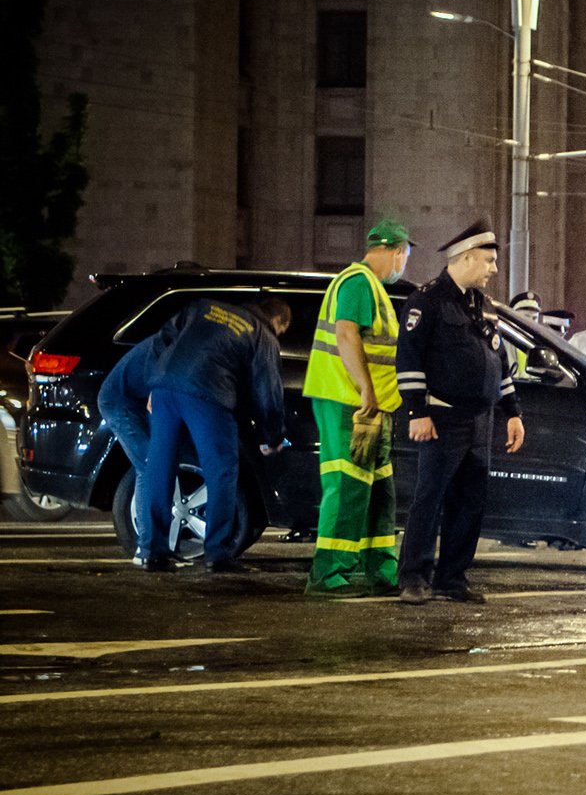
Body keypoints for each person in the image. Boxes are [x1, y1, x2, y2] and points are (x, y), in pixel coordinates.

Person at [395, 220, 525, 605]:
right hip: (442, 417)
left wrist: (512, 411)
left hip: (480, 420)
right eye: (488, 261)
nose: (494, 269)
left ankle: (453, 578)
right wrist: (417, 411)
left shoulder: (482, 305)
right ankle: (414, 577)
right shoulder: (427, 301)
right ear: (466, 257)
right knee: (430, 497)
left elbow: (499, 363)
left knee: (470, 501)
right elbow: (409, 359)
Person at [302, 218, 413, 597]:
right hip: (349, 402)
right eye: (406, 256)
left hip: (371, 407)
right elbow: (346, 333)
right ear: (397, 252)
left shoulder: (371, 287)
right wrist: (366, 390)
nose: (404, 264)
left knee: (378, 487)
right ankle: (328, 571)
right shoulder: (358, 283)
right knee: (346, 484)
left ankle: (380, 566)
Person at [143, 297, 289, 574]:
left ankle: (154, 552)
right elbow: (268, 392)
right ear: (279, 322)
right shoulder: (263, 336)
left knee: (160, 468)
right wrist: (271, 437)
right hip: (209, 394)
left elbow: (163, 338)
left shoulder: (203, 307)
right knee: (221, 471)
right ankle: (217, 553)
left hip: (166, 387)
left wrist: (156, 380)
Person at [98, 329, 178, 566]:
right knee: (149, 467)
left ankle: (155, 547)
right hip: (119, 403)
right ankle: (146, 549)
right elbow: (156, 402)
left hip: (133, 402)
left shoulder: (172, 341)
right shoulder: (170, 349)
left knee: (153, 465)